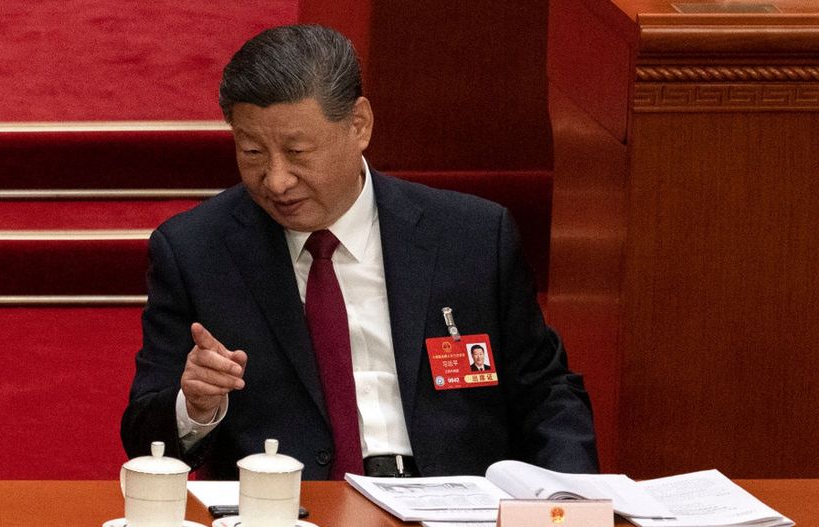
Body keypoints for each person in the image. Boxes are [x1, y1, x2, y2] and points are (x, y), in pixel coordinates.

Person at [121, 24, 598, 480]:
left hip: (450, 501)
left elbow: (547, 392)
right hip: (289, 506)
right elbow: (145, 437)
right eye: (252, 153)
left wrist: (568, 497)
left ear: (359, 125)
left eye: (298, 152)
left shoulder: (472, 236)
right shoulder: (196, 251)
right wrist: (194, 406)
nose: (277, 180)